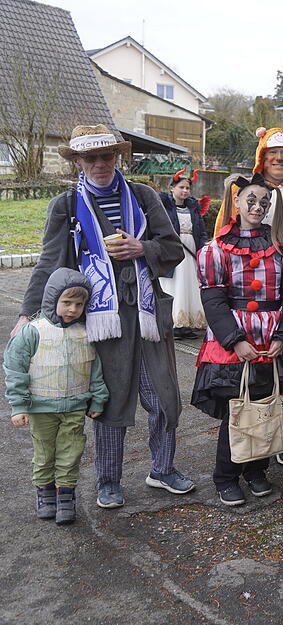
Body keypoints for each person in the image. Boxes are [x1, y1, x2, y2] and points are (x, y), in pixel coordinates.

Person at [13, 124, 190, 509]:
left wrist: (140, 247)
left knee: (163, 396)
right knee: (110, 401)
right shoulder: (66, 205)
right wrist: (29, 312)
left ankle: (162, 469)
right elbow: (50, 263)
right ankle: (108, 480)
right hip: (97, 318)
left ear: (118, 157)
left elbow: (173, 249)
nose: (98, 164)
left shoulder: (143, 197)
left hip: (147, 313)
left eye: (105, 156)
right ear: (77, 161)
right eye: (89, 157)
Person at [192, 173, 283, 506]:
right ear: (237, 201)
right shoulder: (216, 249)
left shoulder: (279, 247)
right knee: (237, 410)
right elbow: (213, 300)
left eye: (264, 203)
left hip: (272, 339)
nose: (258, 207)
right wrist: (234, 340)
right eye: (252, 200)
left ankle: (256, 472)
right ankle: (226, 476)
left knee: (265, 406)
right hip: (235, 342)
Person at [212, 127, 283, 466]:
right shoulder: (246, 192)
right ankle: (237, 456)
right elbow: (222, 247)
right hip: (245, 310)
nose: (279, 159)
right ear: (261, 157)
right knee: (244, 384)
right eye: (272, 154)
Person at [5, 268, 109, 525]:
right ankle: (45, 493)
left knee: (71, 452)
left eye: (79, 304)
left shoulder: (86, 333)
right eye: (67, 303)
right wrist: (19, 405)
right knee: (44, 453)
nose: (73, 309)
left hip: (74, 406)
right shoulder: (33, 331)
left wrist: (97, 399)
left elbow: (94, 369)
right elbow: (15, 368)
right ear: (52, 300)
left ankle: (65, 496)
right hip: (41, 408)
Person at [159, 167, 208, 339]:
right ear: (172, 188)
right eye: (181, 187)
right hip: (173, 251)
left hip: (191, 252)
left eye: (188, 188)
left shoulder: (193, 208)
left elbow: (201, 231)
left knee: (189, 286)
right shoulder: (163, 206)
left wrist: (202, 249)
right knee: (175, 286)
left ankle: (187, 325)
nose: (185, 191)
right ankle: (172, 324)